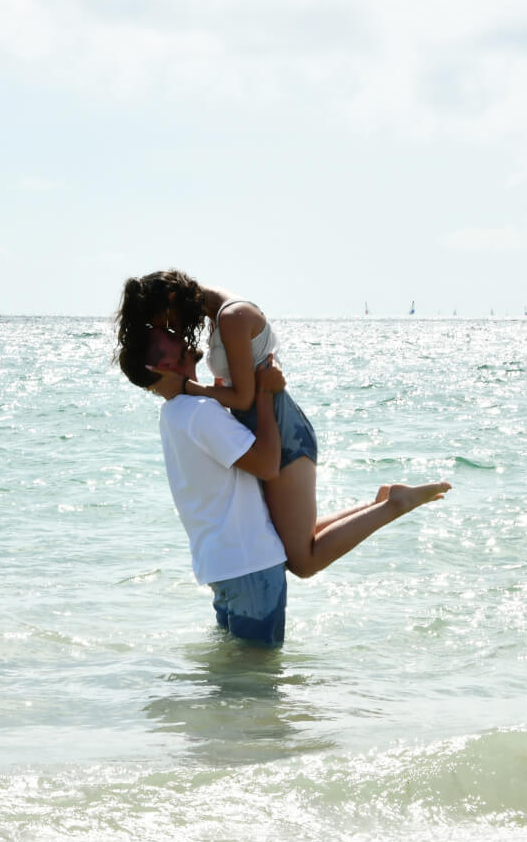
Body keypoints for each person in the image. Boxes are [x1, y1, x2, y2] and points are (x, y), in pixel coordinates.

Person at [114, 272, 449, 647]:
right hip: (260, 434)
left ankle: (392, 505)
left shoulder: (230, 319)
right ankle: (381, 504)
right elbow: (239, 394)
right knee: (294, 550)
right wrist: (196, 393)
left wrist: (189, 388)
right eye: (167, 331)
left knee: (302, 560)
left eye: (167, 323)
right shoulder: (214, 334)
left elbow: (244, 398)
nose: (176, 332)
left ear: (172, 298)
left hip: (280, 434)